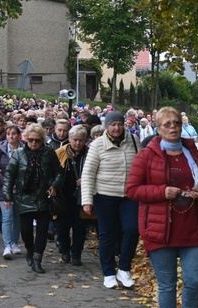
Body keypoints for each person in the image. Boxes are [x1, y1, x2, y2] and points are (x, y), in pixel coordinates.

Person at [126, 107, 198, 308]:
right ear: (158, 128)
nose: (173, 127)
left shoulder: (194, 153)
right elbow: (132, 190)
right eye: (167, 124)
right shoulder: (146, 156)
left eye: (176, 123)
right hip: (159, 230)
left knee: (194, 283)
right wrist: (162, 192)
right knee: (167, 285)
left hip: (193, 228)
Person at [81, 110, 141, 289]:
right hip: (105, 195)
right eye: (113, 124)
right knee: (107, 234)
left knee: (132, 230)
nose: (117, 128)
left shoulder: (134, 141)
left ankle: (124, 269)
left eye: (119, 124)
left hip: (129, 196)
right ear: (107, 126)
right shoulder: (98, 145)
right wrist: (87, 200)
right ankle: (108, 272)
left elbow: (141, 167)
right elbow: (88, 174)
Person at [2, 124, 62, 274]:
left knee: (42, 231)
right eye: (30, 140)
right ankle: (30, 249)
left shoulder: (49, 153)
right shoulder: (18, 154)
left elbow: (59, 172)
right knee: (26, 231)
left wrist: (54, 184)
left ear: (42, 140)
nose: (33, 143)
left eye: (37, 140)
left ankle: (37, 259)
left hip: (43, 197)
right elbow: (9, 176)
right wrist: (7, 196)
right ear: (26, 139)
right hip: (24, 197)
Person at [54, 124, 89, 266]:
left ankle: (76, 254)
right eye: (75, 140)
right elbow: (53, 172)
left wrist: (86, 179)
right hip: (63, 197)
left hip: (82, 197)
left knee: (80, 228)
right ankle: (65, 251)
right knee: (62, 227)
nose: (78, 143)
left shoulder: (90, 154)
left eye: (81, 140)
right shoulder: (60, 153)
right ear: (69, 139)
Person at [0, 125, 23, 260]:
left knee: (17, 217)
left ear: (19, 135)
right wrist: (5, 179)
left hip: (20, 189)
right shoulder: (0, 150)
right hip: (4, 189)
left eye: (14, 134)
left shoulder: (24, 149)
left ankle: (15, 242)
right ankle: (7, 245)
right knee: (7, 217)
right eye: (8, 133)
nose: (11, 136)